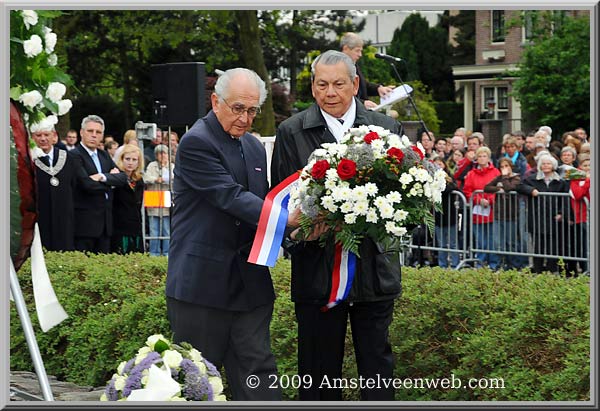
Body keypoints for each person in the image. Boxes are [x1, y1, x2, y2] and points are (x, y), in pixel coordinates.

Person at [271, 50, 403, 401]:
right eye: (322, 84)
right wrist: (301, 236)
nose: (330, 92)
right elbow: (283, 203)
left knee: (378, 369)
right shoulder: (291, 131)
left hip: (375, 269)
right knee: (317, 371)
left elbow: (405, 197)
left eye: (339, 84)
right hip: (318, 274)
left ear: (356, 84)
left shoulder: (386, 128)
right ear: (313, 87)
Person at [166, 68, 297, 401]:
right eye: (238, 108)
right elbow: (230, 197)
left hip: (250, 284)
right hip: (202, 288)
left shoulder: (254, 147)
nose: (245, 118)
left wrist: (296, 232)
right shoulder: (196, 141)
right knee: (198, 384)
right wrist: (288, 220)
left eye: (252, 111)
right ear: (215, 101)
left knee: (260, 379)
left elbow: (260, 205)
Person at [71, 115, 128, 253]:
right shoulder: (74, 155)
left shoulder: (104, 155)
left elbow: (122, 178)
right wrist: (110, 181)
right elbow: (87, 184)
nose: (94, 135)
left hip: (106, 224)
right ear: (81, 132)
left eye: (98, 132)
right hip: (84, 225)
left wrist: (102, 177)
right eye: (90, 131)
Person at [30, 121, 81, 251]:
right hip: (39, 218)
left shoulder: (68, 158)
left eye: (46, 134)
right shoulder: (29, 160)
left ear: (54, 136)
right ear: (32, 138)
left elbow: (75, 185)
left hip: (64, 218)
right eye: (38, 135)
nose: (43, 139)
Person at [517, 153, 570, 275]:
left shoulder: (560, 181)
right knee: (538, 247)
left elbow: (565, 199)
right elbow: (519, 186)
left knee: (553, 247)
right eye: (544, 164)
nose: (546, 166)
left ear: (553, 166)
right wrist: (531, 190)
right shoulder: (532, 178)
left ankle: (552, 270)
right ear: (540, 166)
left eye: (548, 163)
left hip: (553, 218)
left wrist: (562, 213)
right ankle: (538, 270)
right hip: (537, 218)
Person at [462, 146, 501, 270]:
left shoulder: (496, 172)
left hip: (492, 211)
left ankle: (494, 264)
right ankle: (480, 263)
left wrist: (489, 200)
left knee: (493, 240)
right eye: (479, 156)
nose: (482, 158)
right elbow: (467, 191)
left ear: (488, 158)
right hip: (477, 212)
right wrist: (478, 200)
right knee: (480, 240)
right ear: (476, 159)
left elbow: (499, 189)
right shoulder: (471, 174)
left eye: (484, 156)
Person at [484, 158, 523, 270]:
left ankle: (514, 266)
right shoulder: (499, 178)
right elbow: (486, 187)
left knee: (511, 242)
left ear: (511, 166)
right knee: (498, 242)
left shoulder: (516, 177)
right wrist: (498, 188)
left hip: (511, 215)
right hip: (498, 214)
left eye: (506, 166)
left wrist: (505, 177)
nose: (504, 169)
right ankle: (501, 264)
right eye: (502, 167)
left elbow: (509, 187)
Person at [340, 32, 394, 110]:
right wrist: (362, 103)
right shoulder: (337, 68)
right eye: (357, 50)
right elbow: (340, 95)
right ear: (346, 48)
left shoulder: (353, 64)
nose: (360, 54)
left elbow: (362, 86)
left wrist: (378, 89)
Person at [111, 144, 145, 254]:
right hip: (119, 225)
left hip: (135, 225)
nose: (130, 162)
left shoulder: (139, 181)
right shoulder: (116, 177)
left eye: (134, 160)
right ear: (122, 159)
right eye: (127, 159)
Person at [143, 144, 174, 256]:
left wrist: (169, 179)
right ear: (156, 155)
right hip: (153, 198)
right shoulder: (152, 165)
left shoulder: (172, 166)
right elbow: (146, 178)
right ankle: (153, 253)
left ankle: (166, 253)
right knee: (154, 229)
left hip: (166, 199)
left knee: (166, 229)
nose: (162, 155)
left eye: (164, 153)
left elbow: (176, 179)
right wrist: (157, 179)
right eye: (159, 153)